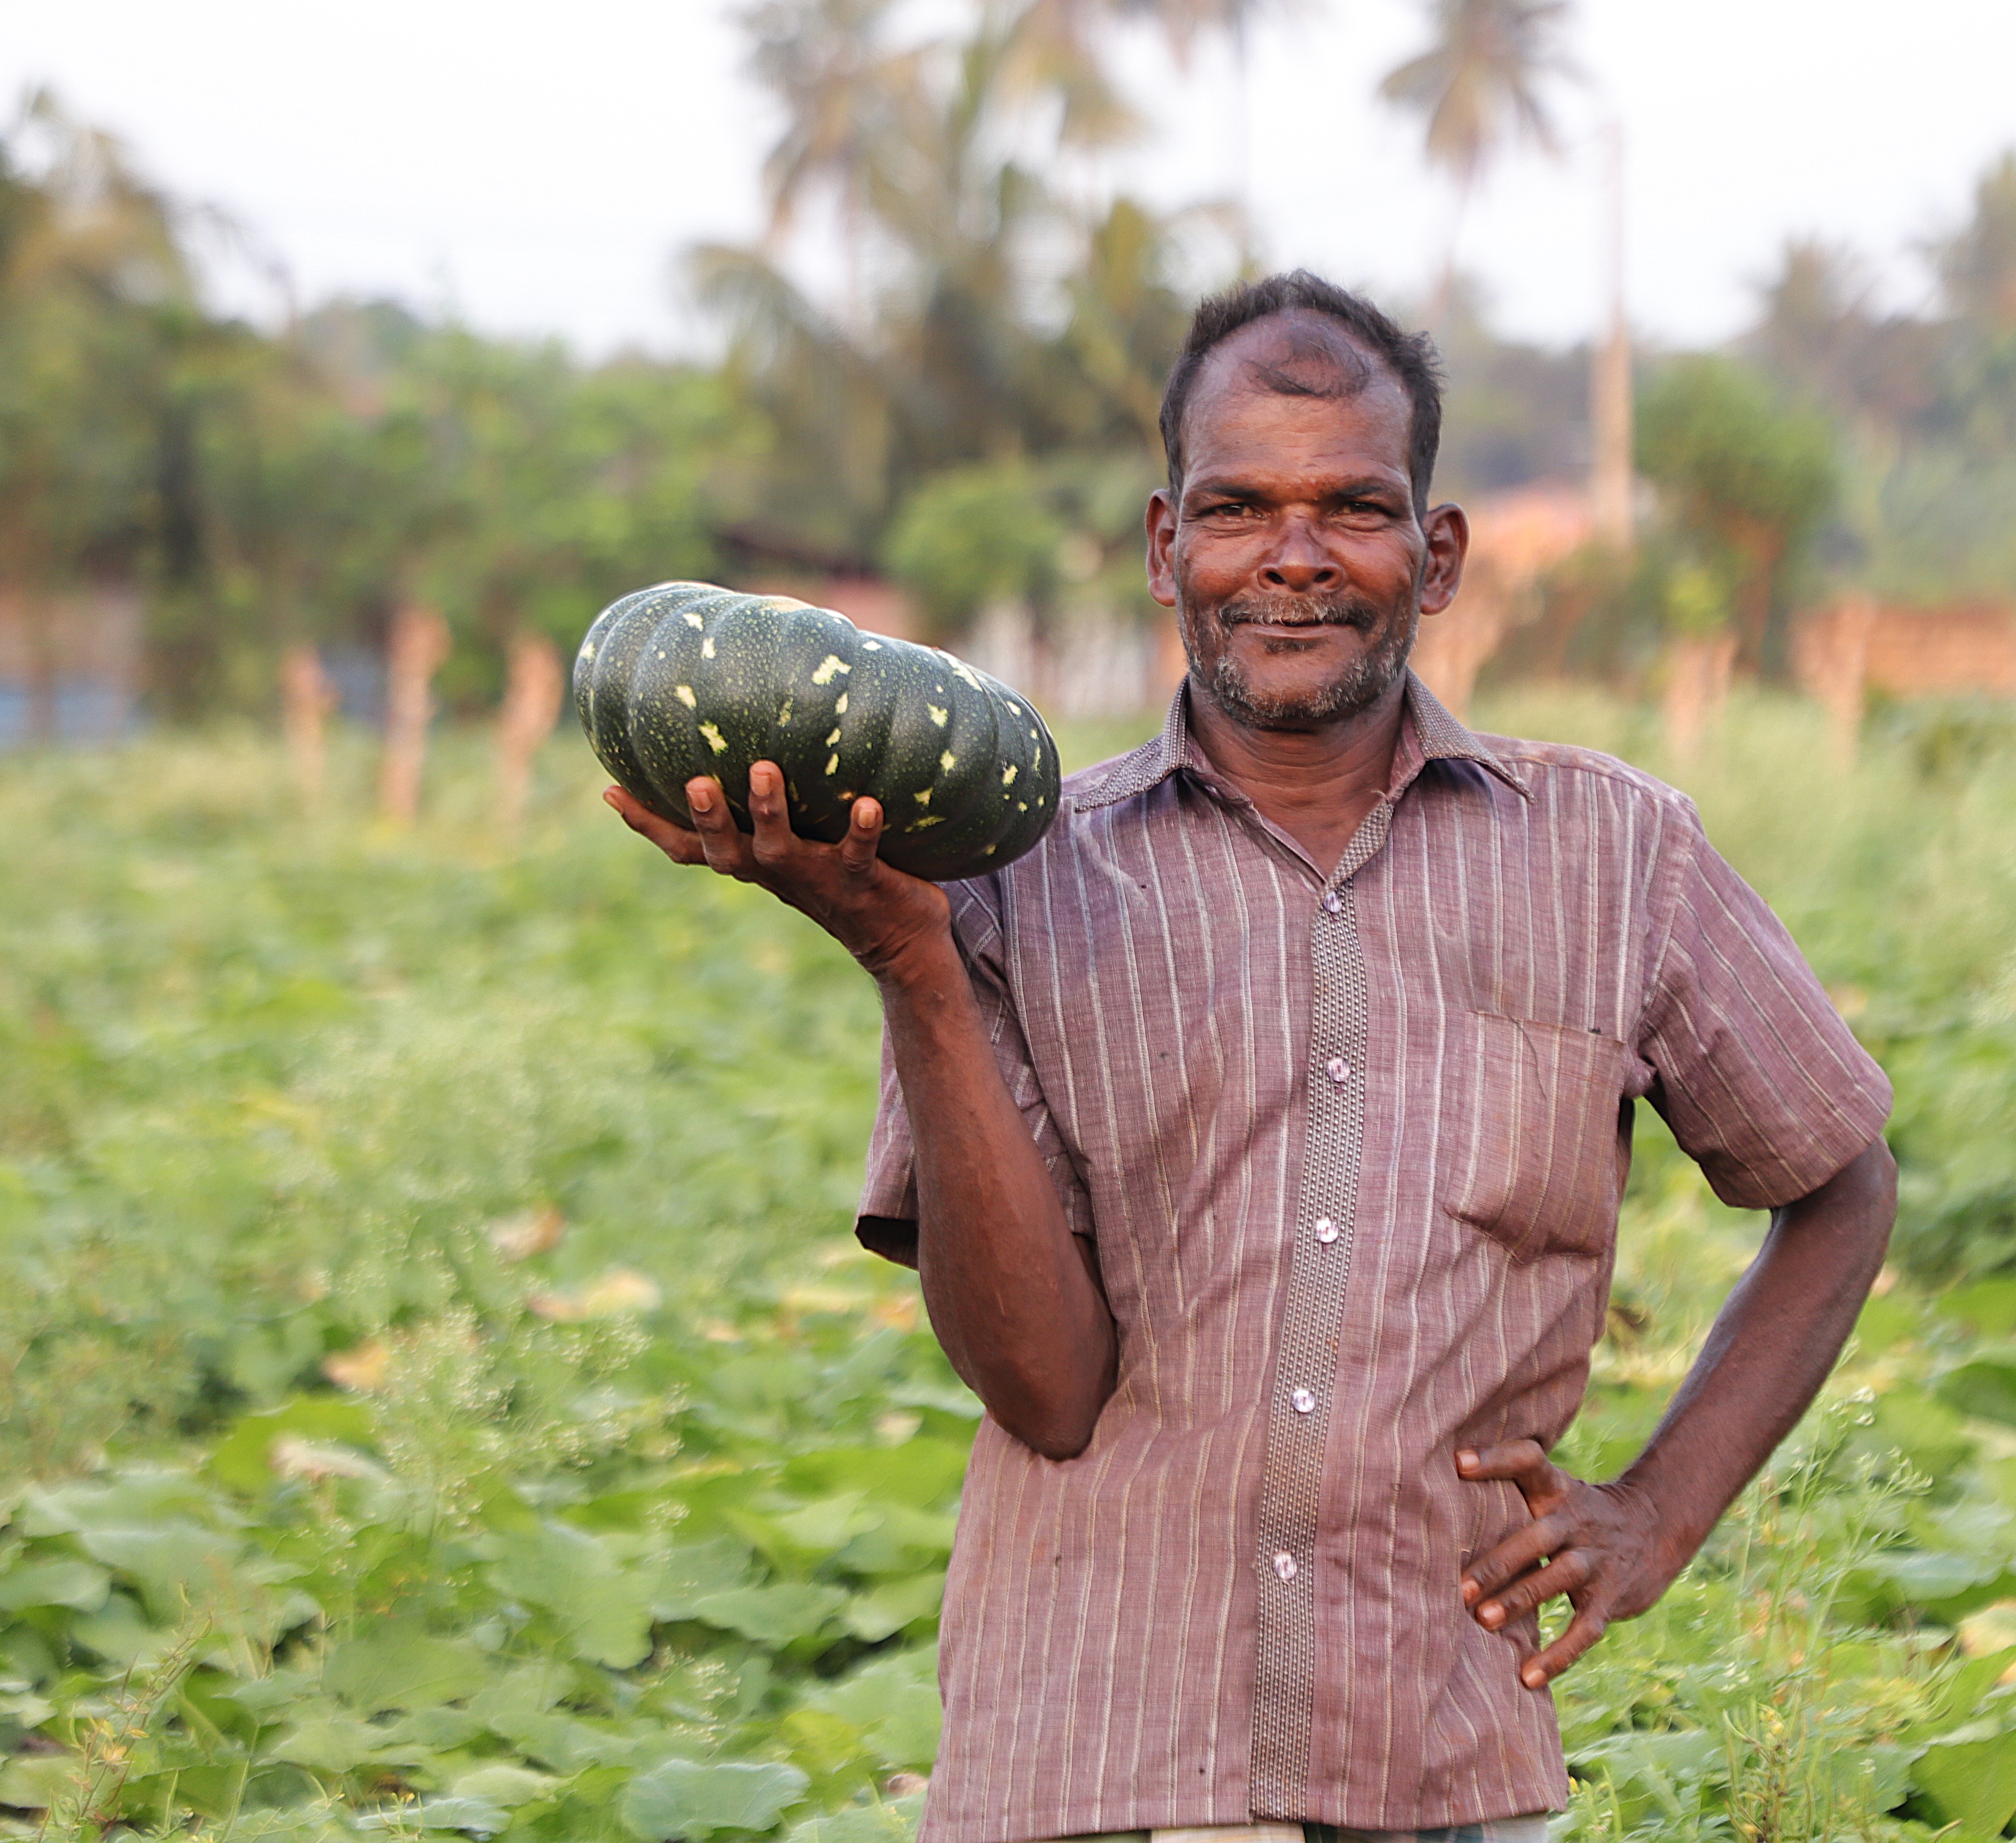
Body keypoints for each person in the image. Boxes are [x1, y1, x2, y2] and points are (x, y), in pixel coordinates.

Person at [605, 272, 1896, 1843]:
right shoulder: (1006, 871)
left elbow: (1840, 1183)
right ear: (1168, 548)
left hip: (1435, 1765)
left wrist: (1658, 1515)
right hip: (1089, 1757)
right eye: (1239, 509)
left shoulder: (1616, 853)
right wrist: (911, 965)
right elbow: (1047, 1389)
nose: (1294, 558)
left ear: (1438, 554)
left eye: (1354, 505)